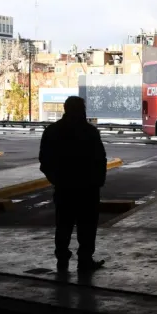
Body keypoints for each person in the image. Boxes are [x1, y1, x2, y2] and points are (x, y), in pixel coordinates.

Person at [39, 96, 107, 273]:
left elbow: (44, 161)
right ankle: (85, 260)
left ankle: (62, 259)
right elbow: (100, 159)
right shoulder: (90, 132)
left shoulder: (53, 131)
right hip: (88, 189)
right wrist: (98, 181)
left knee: (63, 225)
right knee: (87, 227)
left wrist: (56, 179)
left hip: (64, 188)